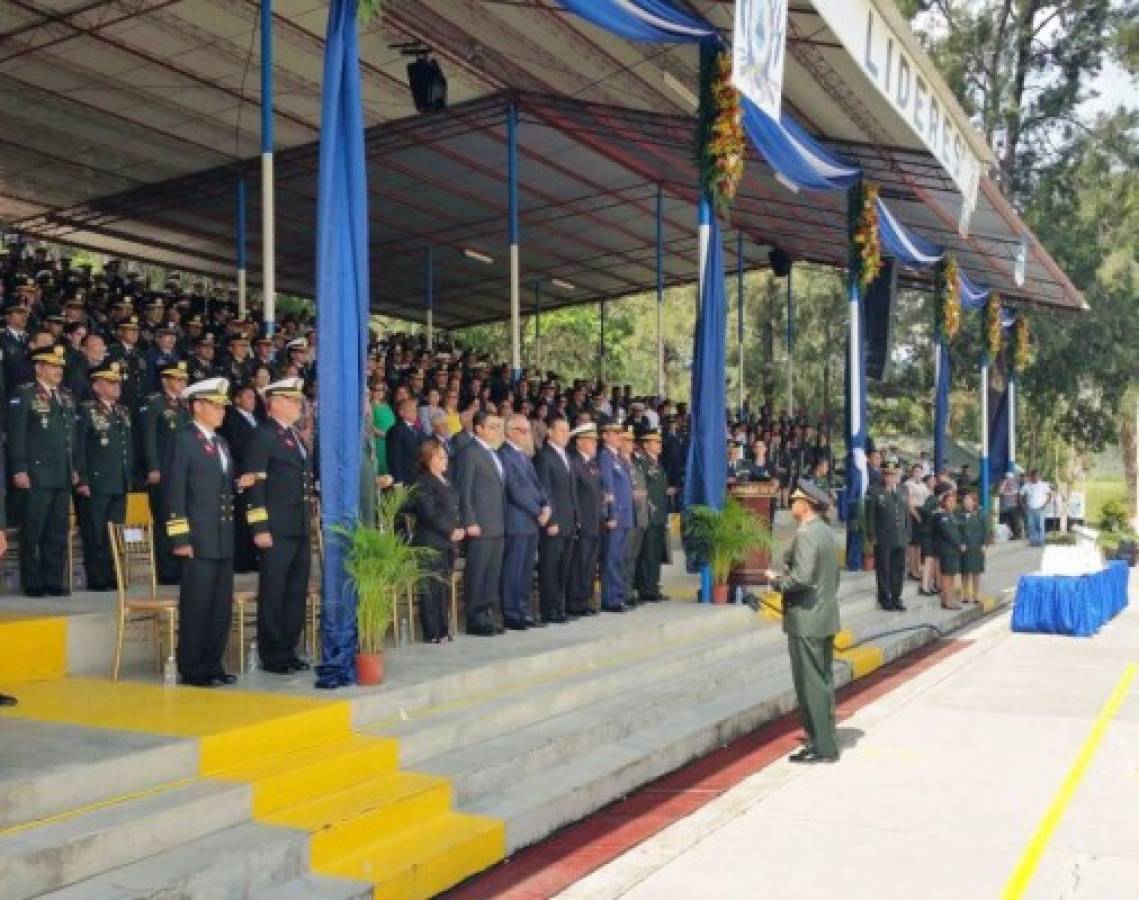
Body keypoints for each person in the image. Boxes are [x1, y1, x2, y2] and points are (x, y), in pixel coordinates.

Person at [162, 377, 237, 687]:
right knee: (197, 606)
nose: (222, 412)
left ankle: (213, 662)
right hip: (198, 538)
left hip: (222, 537)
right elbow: (174, 492)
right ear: (198, 406)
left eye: (222, 406)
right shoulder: (184, 441)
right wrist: (180, 538)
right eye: (216, 406)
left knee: (220, 606)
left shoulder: (221, 443)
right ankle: (193, 667)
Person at [762, 482, 841, 764]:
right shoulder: (823, 532)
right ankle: (824, 738)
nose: (791, 504)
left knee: (810, 685)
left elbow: (802, 577)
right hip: (823, 615)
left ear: (806, 504)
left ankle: (822, 746)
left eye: (795, 500)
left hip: (807, 618)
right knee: (822, 681)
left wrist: (776, 582)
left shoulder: (808, 534)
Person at [242, 377, 314, 673]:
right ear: (275, 404)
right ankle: (272, 654)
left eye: (298, 400)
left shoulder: (294, 436)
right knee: (274, 592)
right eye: (292, 401)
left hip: (298, 525)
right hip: (276, 527)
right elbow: (255, 485)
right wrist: (259, 528)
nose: (298, 405)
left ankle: (288, 648)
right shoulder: (263, 435)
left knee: (296, 591)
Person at [6, 345, 78, 597]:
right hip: (36, 474)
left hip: (61, 473)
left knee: (57, 532)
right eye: (52, 366)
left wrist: (74, 468)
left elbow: (72, 437)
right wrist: (19, 469)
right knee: (33, 531)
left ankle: (52, 580)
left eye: (60, 366)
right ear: (38, 367)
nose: (58, 370)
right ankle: (32, 581)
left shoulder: (66, 396)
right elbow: (16, 436)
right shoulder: (24, 394)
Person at [74, 361, 133, 591]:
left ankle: (114, 575)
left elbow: (128, 448)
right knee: (96, 532)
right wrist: (82, 479)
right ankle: (98, 578)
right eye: (110, 382)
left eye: (117, 382)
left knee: (115, 531)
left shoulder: (123, 411)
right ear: (97, 386)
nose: (117, 386)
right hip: (96, 482)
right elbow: (79, 447)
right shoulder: (86, 409)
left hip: (119, 481)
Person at [139, 360, 191, 584]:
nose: (181, 383)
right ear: (165, 380)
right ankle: (167, 571)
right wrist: (153, 467)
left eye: (183, 379)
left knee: (181, 519)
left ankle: (182, 566)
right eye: (176, 379)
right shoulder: (155, 403)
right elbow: (148, 438)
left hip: (182, 472)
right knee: (163, 521)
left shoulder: (186, 406)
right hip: (164, 471)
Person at [407, 439, 463, 643]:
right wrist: (449, 530)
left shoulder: (445, 479)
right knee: (430, 588)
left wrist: (458, 528)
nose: (445, 460)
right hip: (430, 541)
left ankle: (443, 627)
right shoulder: (422, 481)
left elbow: (454, 508)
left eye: (445, 456)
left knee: (444, 586)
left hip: (447, 542)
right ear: (429, 459)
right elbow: (428, 512)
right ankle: (432, 631)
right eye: (441, 457)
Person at [455, 412, 506, 636]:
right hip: (480, 524)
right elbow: (463, 489)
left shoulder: (493, 453)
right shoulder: (469, 452)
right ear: (478, 428)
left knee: (492, 572)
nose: (496, 431)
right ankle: (475, 618)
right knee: (478, 572)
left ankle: (487, 613)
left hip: (496, 522)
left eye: (498, 426)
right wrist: (469, 520)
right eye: (492, 426)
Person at [498, 414, 551, 629]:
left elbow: (537, 486)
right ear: (509, 431)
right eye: (521, 430)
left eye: (527, 430)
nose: (526, 434)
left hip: (531, 521)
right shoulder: (504, 454)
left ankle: (523, 610)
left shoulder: (523, 456)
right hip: (518, 520)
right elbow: (515, 490)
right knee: (513, 569)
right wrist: (538, 510)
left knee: (526, 569)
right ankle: (511, 613)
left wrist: (546, 505)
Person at [534, 416, 578, 624]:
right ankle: (548, 609)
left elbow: (571, 491)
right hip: (554, 522)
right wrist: (550, 520)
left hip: (569, 521)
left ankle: (558, 606)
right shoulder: (544, 456)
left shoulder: (566, 456)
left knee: (564, 567)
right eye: (561, 430)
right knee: (550, 567)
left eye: (567, 431)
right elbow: (544, 490)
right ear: (549, 432)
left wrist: (576, 516)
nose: (565, 435)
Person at [598, 421, 634, 612]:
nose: (619, 436)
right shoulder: (605, 457)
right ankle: (611, 599)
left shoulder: (618, 458)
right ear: (605, 435)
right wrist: (611, 514)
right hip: (616, 516)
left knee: (619, 558)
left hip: (625, 515)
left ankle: (618, 595)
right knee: (611, 559)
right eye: (615, 433)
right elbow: (608, 487)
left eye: (620, 433)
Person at [568, 423, 603, 616]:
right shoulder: (575, 462)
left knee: (589, 563)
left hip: (595, 521)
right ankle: (575, 601)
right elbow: (574, 494)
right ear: (580, 442)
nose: (594, 444)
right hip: (583, 522)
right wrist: (578, 520)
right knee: (579, 563)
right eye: (591, 441)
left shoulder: (591, 464)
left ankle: (585, 598)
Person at [866, 460, 910, 612]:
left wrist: (908, 533)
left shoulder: (903, 490)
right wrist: (871, 536)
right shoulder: (874, 491)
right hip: (883, 536)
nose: (890, 478)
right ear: (883, 475)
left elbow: (906, 514)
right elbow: (870, 515)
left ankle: (897, 597)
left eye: (893, 474)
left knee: (899, 569)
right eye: (887, 474)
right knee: (884, 569)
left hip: (900, 536)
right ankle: (885, 598)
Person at [634, 428, 671, 603]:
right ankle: (645, 588)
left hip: (660, 514)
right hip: (649, 513)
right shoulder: (642, 464)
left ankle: (653, 586)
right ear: (647, 445)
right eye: (655, 443)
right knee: (647, 553)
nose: (659, 445)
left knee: (656, 553)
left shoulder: (658, 464)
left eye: (659, 442)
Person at [932, 485, 965, 610]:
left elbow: (957, 531)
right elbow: (948, 534)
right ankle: (946, 600)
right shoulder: (942, 516)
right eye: (949, 501)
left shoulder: (951, 515)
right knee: (946, 576)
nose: (952, 504)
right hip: (946, 550)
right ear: (944, 502)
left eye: (954, 502)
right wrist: (959, 544)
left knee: (951, 575)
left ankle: (950, 599)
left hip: (953, 551)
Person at [957, 489, 988, 605]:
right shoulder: (960, 513)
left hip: (977, 546)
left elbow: (985, 530)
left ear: (974, 502)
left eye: (968, 499)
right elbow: (957, 530)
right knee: (964, 571)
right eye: (965, 499)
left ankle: (976, 595)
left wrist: (984, 544)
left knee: (976, 572)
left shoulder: (981, 513)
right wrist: (960, 543)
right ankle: (965, 595)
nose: (966, 501)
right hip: (965, 546)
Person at [386, 397, 422, 487]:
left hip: (419, 478)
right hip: (405, 480)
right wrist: (398, 481)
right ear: (401, 413)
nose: (415, 412)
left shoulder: (418, 429)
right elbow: (394, 457)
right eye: (411, 410)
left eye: (415, 410)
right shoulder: (396, 430)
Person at [370, 381, 395, 477]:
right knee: (380, 469)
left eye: (382, 390)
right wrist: (384, 434)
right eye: (377, 390)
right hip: (379, 442)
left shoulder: (387, 405)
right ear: (372, 391)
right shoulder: (370, 406)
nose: (380, 392)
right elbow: (369, 426)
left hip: (390, 442)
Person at [1020, 469, 1051, 548]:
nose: (1035, 478)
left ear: (1039, 476)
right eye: (1033, 476)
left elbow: (1049, 495)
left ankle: (1041, 541)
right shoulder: (1027, 485)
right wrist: (1024, 505)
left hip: (1040, 508)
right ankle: (1033, 541)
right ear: (1031, 477)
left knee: (1040, 526)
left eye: (1037, 476)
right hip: (1030, 508)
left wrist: (1044, 505)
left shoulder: (1043, 485)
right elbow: (1021, 495)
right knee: (1031, 525)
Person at [998, 471, 1022, 538]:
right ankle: (1014, 534)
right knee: (1011, 521)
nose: (1009, 480)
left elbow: (1017, 494)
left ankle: (1016, 534)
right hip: (1008, 505)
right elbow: (1000, 492)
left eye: (1010, 478)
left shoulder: (1013, 484)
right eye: (1008, 478)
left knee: (1013, 521)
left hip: (1011, 505)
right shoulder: (1005, 483)